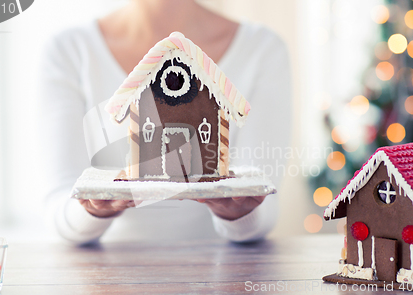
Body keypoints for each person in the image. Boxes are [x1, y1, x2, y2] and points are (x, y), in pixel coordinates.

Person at [38, 0, 291, 245]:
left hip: (222, 274)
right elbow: (60, 207)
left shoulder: (262, 48)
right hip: (104, 276)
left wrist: (238, 213)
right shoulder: (68, 50)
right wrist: (96, 208)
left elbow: (264, 202)